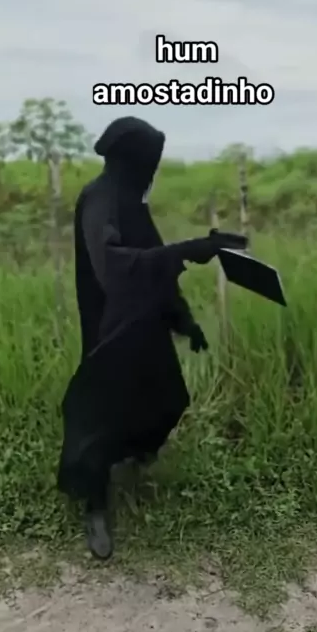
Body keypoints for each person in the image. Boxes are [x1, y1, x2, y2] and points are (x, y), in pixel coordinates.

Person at [57, 116, 246, 560]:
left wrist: (184, 320)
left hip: (143, 323)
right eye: (148, 164)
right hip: (109, 328)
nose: (152, 174)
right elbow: (114, 267)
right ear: (131, 161)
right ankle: (95, 505)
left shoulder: (130, 201)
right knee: (100, 419)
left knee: (167, 398)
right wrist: (189, 250)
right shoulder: (99, 199)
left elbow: (153, 263)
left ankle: (132, 455)